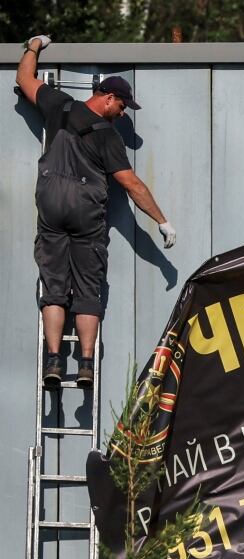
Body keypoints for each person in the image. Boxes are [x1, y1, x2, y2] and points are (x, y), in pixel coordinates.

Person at [16, 34, 177, 388]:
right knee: (88, 290)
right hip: (86, 215)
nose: (122, 114)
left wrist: (33, 46)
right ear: (108, 98)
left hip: (52, 208)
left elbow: (24, 79)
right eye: (122, 107)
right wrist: (163, 222)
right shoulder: (108, 137)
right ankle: (86, 364)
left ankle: (54, 361)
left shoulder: (60, 105)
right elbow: (132, 185)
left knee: (54, 287)